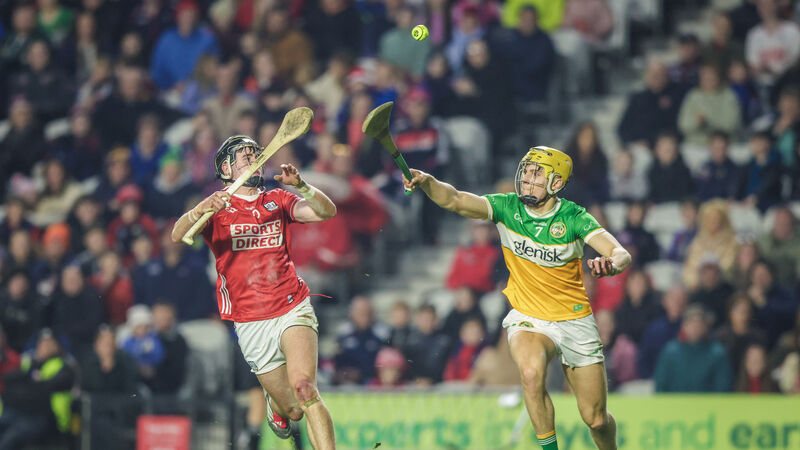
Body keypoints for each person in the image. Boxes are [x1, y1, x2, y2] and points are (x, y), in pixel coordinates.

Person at [403, 146, 631, 450]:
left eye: (537, 173)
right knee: (531, 373)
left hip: (574, 319)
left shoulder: (574, 216)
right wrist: (428, 182)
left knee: (596, 419)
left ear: (556, 183)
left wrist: (612, 264)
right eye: (526, 171)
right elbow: (455, 199)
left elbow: (620, 252)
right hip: (528, 316)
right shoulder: (507, 207)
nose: (527, 178)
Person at [171, 135, 337, 448]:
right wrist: (201, 208)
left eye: (255, 154)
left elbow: (326, 212)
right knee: (293, 410)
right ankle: (275, 405)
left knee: (305, 389)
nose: (254, 159)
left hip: (291, 306)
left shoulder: (277, 199)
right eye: (245, 156)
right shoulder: (216, 209)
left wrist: (302, 186)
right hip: (250, 322)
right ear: (226, 168)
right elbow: (177, 235)